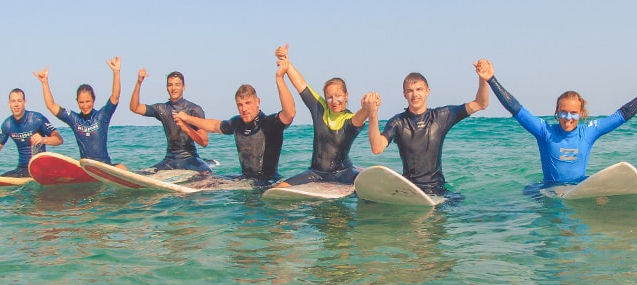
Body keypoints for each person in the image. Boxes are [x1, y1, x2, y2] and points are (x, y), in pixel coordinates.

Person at [481, 59, 637, 186]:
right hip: (550, 189)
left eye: (573, 113)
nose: (568, 118)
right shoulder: (545, 132)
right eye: (563, 112)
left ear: (581, 114)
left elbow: (621, 115)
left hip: (579, 187)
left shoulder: (588, 132)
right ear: (557, 112)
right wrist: (491, 80)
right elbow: (516, 108)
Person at [362, 60, 490, 196]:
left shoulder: (441, 117)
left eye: (419, 89)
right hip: (410, 189)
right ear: (404, 94)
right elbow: (377, 148)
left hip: (437, 189)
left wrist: (483, 79)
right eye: (410, 91)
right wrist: (373, 113)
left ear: (427, 91)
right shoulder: (397, 122)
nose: (415, 94)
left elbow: (481, 104)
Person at [174, 48, 295, 187]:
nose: (244, 109)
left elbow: (290, 113)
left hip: (267, 181)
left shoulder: (270, 124)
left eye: (248, 103)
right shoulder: (237, 123)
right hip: (245, 179)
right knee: (199, 180)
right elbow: (214, 126)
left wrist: (279, 78)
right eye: (240, 105)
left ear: (258, 102)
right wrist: (188, 119)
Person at [271, 44, 372, 188]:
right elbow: (301, 84)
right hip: (316, 172)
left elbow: (360, 117)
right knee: (278, 189)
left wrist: (367, 108)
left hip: (343, 174)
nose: (334, 101)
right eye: (329, 97)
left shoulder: (349, 119)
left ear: (346, 95)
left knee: (362, 193)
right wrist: (287, 64)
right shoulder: (320, 109)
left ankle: (359, 175)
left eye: (338, 96)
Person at [33, 57, 125, 169]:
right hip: (87, 168)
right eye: (81, 102)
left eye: (88, 101)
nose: (85, 105)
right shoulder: (74, 119)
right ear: (77, 102)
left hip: (105, 166)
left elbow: (115, 97)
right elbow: (51, 106)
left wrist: (116, 72)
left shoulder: (102, 116)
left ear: (94, 100)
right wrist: (44, 83)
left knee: (122, 167)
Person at [129, 68, 212, 174]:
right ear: (167, 87)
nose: (173, 88)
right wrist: (139, 82)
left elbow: (204, 142)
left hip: (190, 158)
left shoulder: (194, 109)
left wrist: (185, 127)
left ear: (183, 87)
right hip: (170, 160)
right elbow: (134, 108)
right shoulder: (161, 109)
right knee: (140, 174)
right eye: (170, 85)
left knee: (207, 174)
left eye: (177, 84)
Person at [0, 88, 64, 177]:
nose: (16, 104)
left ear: (24, 103)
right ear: (9, 104)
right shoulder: (7, 124)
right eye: (13, 101)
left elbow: (59, 139)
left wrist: (43, 139)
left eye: (19, 101)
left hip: (40, 169)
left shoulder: (37, 119)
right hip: (22, 170)